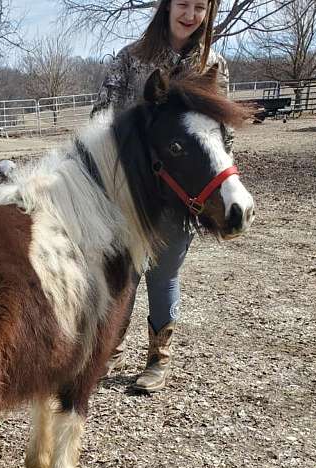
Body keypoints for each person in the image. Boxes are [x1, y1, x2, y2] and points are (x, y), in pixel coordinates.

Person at [92, 0, 231, 392]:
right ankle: (109, 350)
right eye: (183, 4)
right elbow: (101, 118)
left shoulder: (211, 66)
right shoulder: (131, 59)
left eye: (200, 7)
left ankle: (158, 357)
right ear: (167, 7)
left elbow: (221, 136)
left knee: (163, 272)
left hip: (178, 192)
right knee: (122, 271)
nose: (190, 15)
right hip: (129, 189)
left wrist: (219, 189)